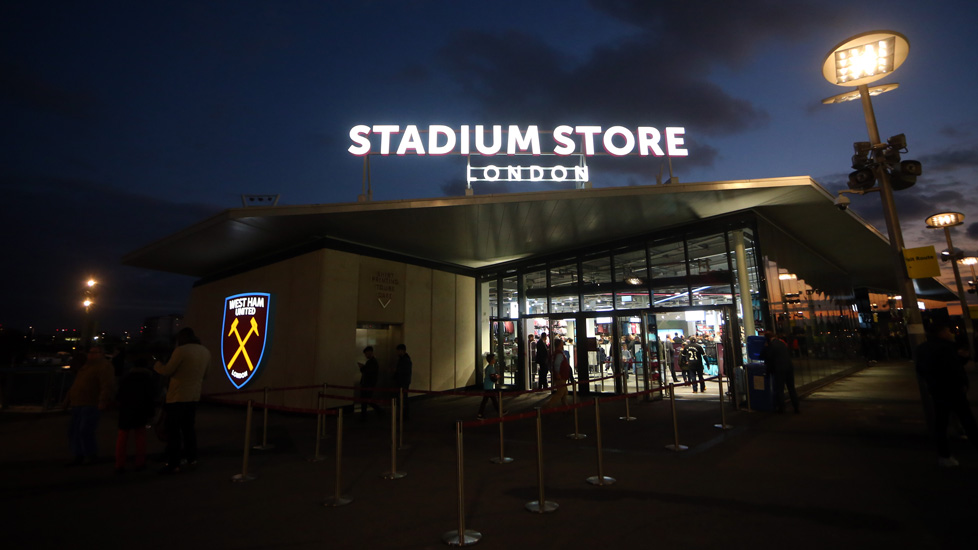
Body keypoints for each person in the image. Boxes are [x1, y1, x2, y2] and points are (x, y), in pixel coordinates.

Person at [916, 322, 978, 467]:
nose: (951, 334)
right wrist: (962, 384)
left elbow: (922, 369)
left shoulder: (923, 349)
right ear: (942, 333)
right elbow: (953, 368)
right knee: (968, 421)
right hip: (953, 390)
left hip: (938, 391)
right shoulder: (946, 348)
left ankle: (944, 455)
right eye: (948, 331)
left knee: (941, 423)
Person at [154, 327, 211, 473]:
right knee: (189, 429)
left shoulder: (181, 351)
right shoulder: (205, 352)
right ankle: (191, 458)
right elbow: (205, 375)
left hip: (177, 396)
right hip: (193, 397)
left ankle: (174, 463)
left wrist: (157, 365)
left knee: (173, 431)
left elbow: (167, 371)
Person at [65, 345, 116, 466]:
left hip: (91, 403)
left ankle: (89, 454)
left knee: (84, 430)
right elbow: (76, 385)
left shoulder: (104, 366)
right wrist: (67, 400)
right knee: (75, 430)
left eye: (95, 352)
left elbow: (107, 385)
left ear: (102, 354)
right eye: (90, 352)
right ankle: (80, 454)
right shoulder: (86, 367)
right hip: (78, 403)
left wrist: (103, 400)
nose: (91, 355)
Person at [114, 352, 158, 473]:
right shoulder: (148, 379)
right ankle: (140, 462)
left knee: (122, 437)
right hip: (141, 411)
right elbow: (151, 398)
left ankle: (119, 464)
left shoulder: (126, 378)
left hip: (126, 410)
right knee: (140, 437)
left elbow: (119, 395)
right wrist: (151, 414)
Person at [761, 331, 799, 413]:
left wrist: (765, 348)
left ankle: (782, 408)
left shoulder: (771, 345)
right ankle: (796, 407)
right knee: (791, 388)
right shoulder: (782, 343)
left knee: (780, 389)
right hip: (788, 367)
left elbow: (766, 356)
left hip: (779, 369)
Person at [357, 345, 384, 420]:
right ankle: (377, 411)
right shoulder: (371, 362)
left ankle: (365, 415)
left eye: (366, 353)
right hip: (368, 384)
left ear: (370, 352)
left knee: (366, 400)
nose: (366, 355)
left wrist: (362, 367)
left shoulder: (372, 362)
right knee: (366, 400)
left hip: (368, 384)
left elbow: (368, 372)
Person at [545, 339, 571, 408]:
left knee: (564, 393)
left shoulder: (555, 354)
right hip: (561, 376)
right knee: (560, 393)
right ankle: (547, 406)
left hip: (560, 376)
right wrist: (557, 373)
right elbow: (557, 364)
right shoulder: (559, 354)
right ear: (560, 345)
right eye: (562, 343)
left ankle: (566, 408)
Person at [477, 353, 504, 419]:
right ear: (491, 360)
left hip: (487, 385)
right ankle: (480, 414)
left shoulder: (488, 367)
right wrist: (497, 377)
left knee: (490, 400)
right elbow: (492, 377)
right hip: (489, 386)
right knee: (489, 400)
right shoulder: (491, 368)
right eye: (494, 358)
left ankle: (499, 412)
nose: (495, 360)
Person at [393, 344, 412, 420]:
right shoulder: (404, 359)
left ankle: (404, 416)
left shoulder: (405, 360)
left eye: (398, 350)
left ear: (402, 350)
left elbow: (404, 371)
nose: (397, 352)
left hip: (403, 382)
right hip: (403, 381)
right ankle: (404, 415)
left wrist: (396, 372)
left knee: (403, 399)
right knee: (403, 399)